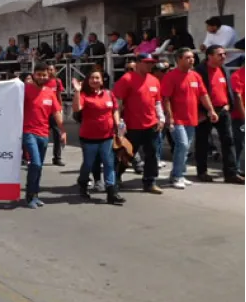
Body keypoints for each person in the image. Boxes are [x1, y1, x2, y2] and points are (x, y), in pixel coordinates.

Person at [161, 48, 218, 189]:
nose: (191, 60)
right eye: (187, 57)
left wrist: (211, 110)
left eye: (192, 57)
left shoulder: (195, 76)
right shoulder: (171, 76)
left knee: (185, 149)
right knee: (182, 145)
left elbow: (203, 95)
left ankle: (179, 173)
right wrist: (170, 117)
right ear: (179, 59)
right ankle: (176, 176)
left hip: (192, 119)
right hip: (177, 120)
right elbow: (166, 98)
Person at [193, 46, 245, 184]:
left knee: (228, 142)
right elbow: (196, 94)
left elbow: (227, 90)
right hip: (206, 112)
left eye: (224, 54)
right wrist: (201, 112)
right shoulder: (199, 71)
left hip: (223, 111)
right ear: (209, 56)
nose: (223, 57)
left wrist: (229, 105)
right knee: (203, 143)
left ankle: (231, 173)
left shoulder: (224, 69)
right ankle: (202, 172)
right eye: (219, 54)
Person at [113, 54, 164, 194]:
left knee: (152, 154)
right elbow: (118, 102)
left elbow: (158, 101)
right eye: (146, 62)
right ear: (138, 63)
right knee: (126, 154)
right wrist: (118, 122)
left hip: (151, 125)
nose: (150, 65)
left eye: (151, 63)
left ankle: (150, 182)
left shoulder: (154, 80)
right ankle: (115, 178)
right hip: (132, 126)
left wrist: (161, 118)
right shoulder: (127, 79)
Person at [71, 71, 124, 205]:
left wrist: (117, 124)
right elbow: (77, 109)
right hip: (89, 137)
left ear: (102, 80)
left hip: (107, 136)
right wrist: (77, 91)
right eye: (92, 77)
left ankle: (112, 192)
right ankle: (83, 182)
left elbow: (115, 110)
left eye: (97, 78)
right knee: (88, 164)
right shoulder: (83, 94)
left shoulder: (109, 94)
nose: (94, 80)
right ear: (88, 80)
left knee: (109, 163)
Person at [22, 62, 66, 209]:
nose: (41, 77)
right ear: (33, 74)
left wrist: (63, 130)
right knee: (34, 163)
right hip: (29, 132)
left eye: (44, 75)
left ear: (49, 75)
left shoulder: (50, 92)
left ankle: (35, 195)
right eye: (39, 74)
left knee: (39, 166)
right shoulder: (25, 90)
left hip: (44, 134)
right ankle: (29, 196)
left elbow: (56, 112)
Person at [45, 63, 65, 167]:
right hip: (44, 112)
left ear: (55, 71)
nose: (50, 71)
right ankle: (38, 157)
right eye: (48, 69)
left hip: (55, 112)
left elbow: (59, 95)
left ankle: (57, 158)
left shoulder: (57, 81)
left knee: (57, 135)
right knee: (43, 136)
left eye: (52, 69)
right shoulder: (42, 82)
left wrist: (60, 108)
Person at [231, 59, 246, 174]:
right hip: (239, 116)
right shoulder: (237, 76)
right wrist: (243, 116)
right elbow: (238, 97)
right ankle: (235, 167)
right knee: (239, 142)